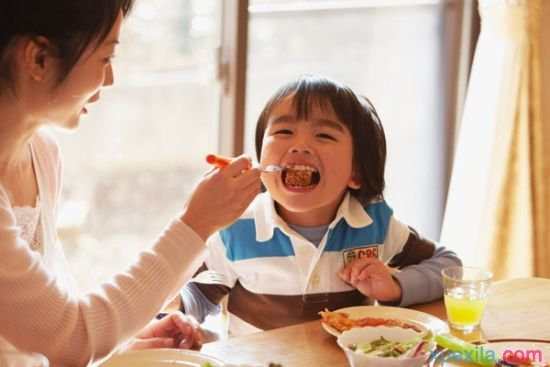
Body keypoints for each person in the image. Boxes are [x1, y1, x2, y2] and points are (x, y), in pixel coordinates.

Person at [0, 1, 261, 366]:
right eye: (106, 58)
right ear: (38, 58)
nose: (109, 79)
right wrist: (196, 225)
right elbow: (71, 337)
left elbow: (48, 327)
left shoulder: (42, 153)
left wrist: (121, 344)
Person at [176, 75, 462, 336]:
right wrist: (182, 322)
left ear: (356, 173)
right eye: (284, 131)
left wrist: (396, 287)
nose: (299, 146)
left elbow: (449, 267)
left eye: (324, 135)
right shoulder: (236, 228)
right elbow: (195, 297)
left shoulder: (374, 224)